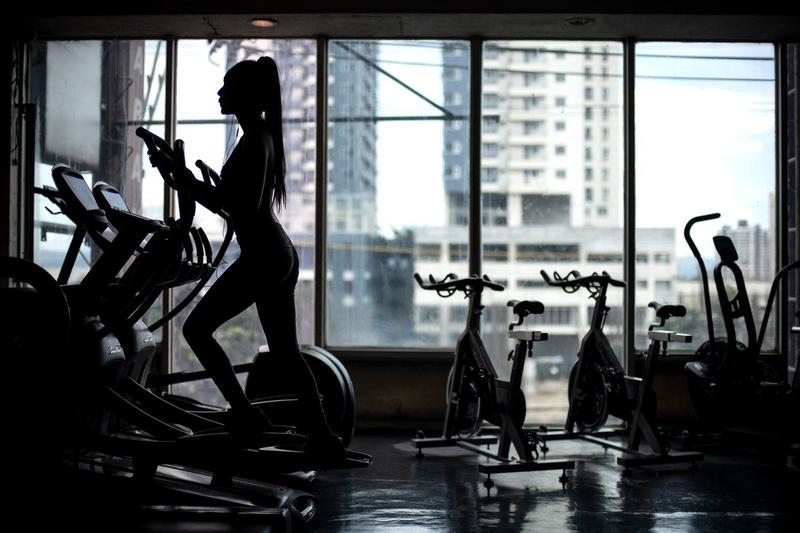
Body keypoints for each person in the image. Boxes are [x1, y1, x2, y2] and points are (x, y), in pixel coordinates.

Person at [161, 56, 344, 457]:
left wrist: (186, 180)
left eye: (228, 86)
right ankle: (323, 435)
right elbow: (233, 205)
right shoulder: (259, 137)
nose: (220, 92)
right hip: (278, 253)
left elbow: (238, 208)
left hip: (264, 254)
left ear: (247, 93)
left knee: (195, 330)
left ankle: (244, 412)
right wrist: (185, 180)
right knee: (286, 354)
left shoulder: (254, 140)